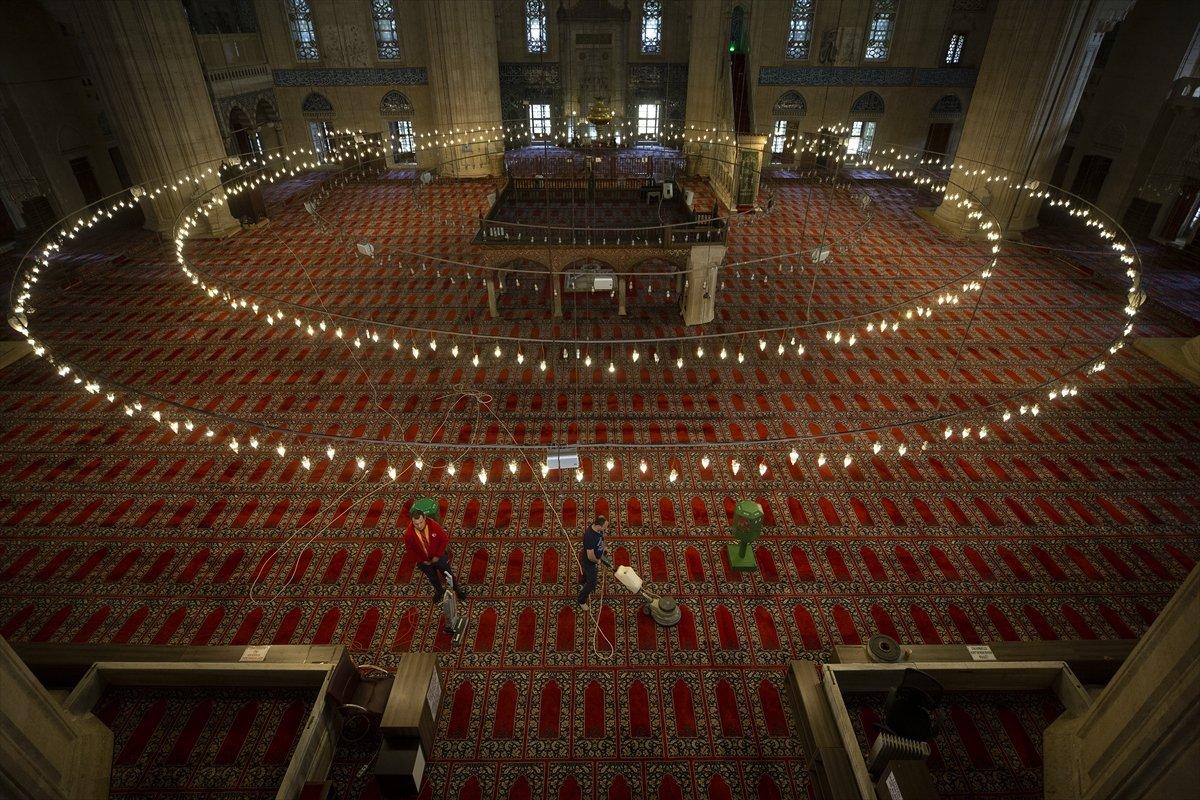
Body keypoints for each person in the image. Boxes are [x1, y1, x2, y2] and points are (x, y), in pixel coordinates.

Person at [404, 508, 466, 604]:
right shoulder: (409, 534)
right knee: (432, 578)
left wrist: (437, 555)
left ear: (424, 518)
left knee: (448, 574)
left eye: (421, 522)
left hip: (439, 557)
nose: (419, 526)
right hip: (424, 562)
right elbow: (410, 551)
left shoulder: (433, 526)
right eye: (416, 524)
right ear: (412, 521)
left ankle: (456, 589)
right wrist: (422, 560)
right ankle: (439, 591)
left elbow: (444, 539)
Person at [577, 515, 608, 610]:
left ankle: (583, 581)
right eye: (604, 527)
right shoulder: (589, 536)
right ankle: (581, 600)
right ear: (599, 525)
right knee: (592, 583)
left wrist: (603, 547)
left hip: (595, 555)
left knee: (587, 575)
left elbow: (600, 538)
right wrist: (597, 561)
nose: (606, 528)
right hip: (590, 562)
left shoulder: (597, 529)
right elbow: (590, 556)